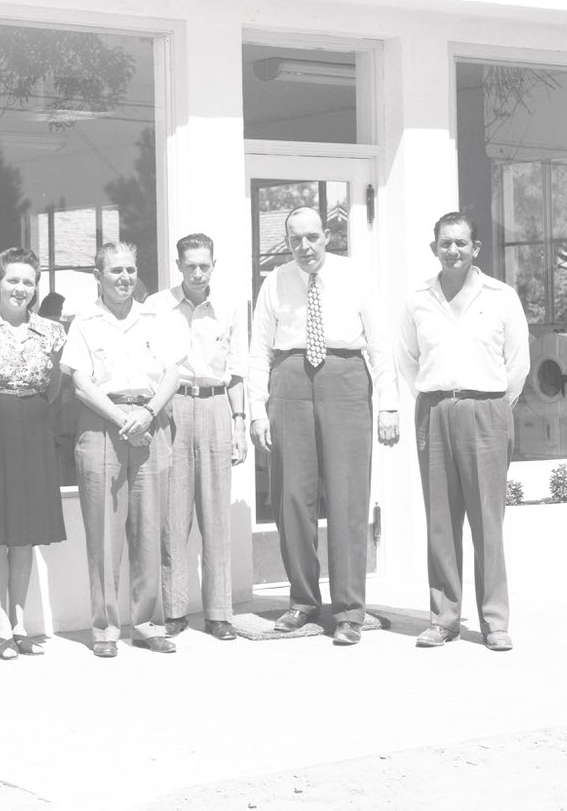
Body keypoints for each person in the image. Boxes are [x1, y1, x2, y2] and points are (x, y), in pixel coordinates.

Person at [248, 206, 399, 646]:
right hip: (290, 379)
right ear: (287, 241)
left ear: (327, 236)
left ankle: (350, 609)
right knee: (292, 495)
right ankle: (303, 600)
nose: (305, 247)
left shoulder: (355, 276)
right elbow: (258, 348)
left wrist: (388, 404)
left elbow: (380, 341)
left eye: (312, 237)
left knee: (349, 494)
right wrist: (257, 409)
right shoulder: (274, 282)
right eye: (295, 239)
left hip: (346, 378)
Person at [395, 211, 529, 653]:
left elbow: (518, 364)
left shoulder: (502, 296)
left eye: (461, 243)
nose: (453, 250)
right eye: (445, 243)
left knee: (487, 520)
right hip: (434, 410)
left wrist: (491, 406)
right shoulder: (418, 300)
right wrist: (438, 397)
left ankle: (494, 622)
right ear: (433, 248)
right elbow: (407, 359)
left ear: (476, 248)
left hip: (487, 410)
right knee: (440, 520)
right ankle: (444, 618)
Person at [60, 240, 184, 657]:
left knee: (150, 529)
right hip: (101, 426)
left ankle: (148, 623)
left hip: (150, 422)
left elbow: (173, 372)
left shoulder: (157, 317)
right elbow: (80, 382)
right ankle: (106, 629)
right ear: (99, 276)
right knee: (104, 533)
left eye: (130, 269)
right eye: (115, 271)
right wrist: (121, 418)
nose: (125, 278)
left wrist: (147, 413)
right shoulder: (84, 322)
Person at [0, 248, 68, 659]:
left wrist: (28, 407)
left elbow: (54, 386)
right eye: (13, 280)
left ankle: (21, 622)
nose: (20, 289)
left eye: (28, 281)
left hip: (34, 430)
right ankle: (0, 623)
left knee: (24, 535)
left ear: (36, 286)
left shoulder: (52, 332)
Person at [147, 233, 248, 641]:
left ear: (213, 265)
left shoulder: (228, 307)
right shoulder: (157, 306)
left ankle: (219, 612)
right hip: (172, 407)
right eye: (190, 265)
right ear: (178, 265)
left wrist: (240, 423)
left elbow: (238, 370)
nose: (197, 272)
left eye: (204, 265)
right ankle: (174, 610)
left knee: (216, 516)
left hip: (215, 404)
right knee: (173, 515)